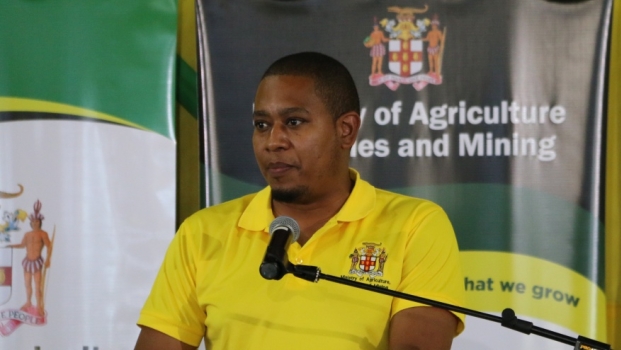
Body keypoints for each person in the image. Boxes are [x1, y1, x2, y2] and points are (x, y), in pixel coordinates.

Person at [135, 52, 465, 350]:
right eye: (261, 125)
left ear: (346, 130)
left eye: (294, 122)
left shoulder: (415, 225)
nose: (273, 141)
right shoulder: (202, 232)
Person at [6, 200, 52, 316]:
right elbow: (22, 245)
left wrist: (48, 259)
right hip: (27, 261)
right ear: (30, 223)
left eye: (37, 221)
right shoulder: (27, 234)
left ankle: (39, 306)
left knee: (37, 285)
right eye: (33, 221)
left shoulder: (43, 234)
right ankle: (28, 302)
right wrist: (11, 245)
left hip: (37, 262)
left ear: (40, 222)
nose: (35, 223)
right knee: (27, 283)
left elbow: (49, 246)